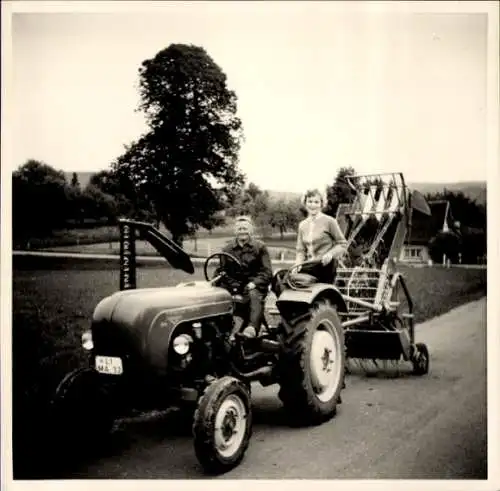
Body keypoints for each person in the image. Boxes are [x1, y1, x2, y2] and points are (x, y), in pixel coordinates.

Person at [218, 216, 273, 338]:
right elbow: (222, 271)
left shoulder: (260, 247)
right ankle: (219, 328)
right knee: (218, 294)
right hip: (233, 285)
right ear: (235, 231)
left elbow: (267, 272)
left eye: (245, 228)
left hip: (255, 285)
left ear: (251, 230)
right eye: (239, 229)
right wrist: (232, 285)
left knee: (253, 294)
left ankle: (251, 328)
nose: (242, 231)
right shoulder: (227, 249)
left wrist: (255, 283)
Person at [295, 188, 348, 283]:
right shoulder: (302, 225)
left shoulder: (330, 221)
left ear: (321, 204)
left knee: (320, 293)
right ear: (305, 203)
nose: (313, 205)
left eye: (316, 202)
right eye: (310, 201)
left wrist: (330, 254)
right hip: (309, 266)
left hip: (325, 266)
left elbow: (342, 244)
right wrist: (298, 263)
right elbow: (300, 250)